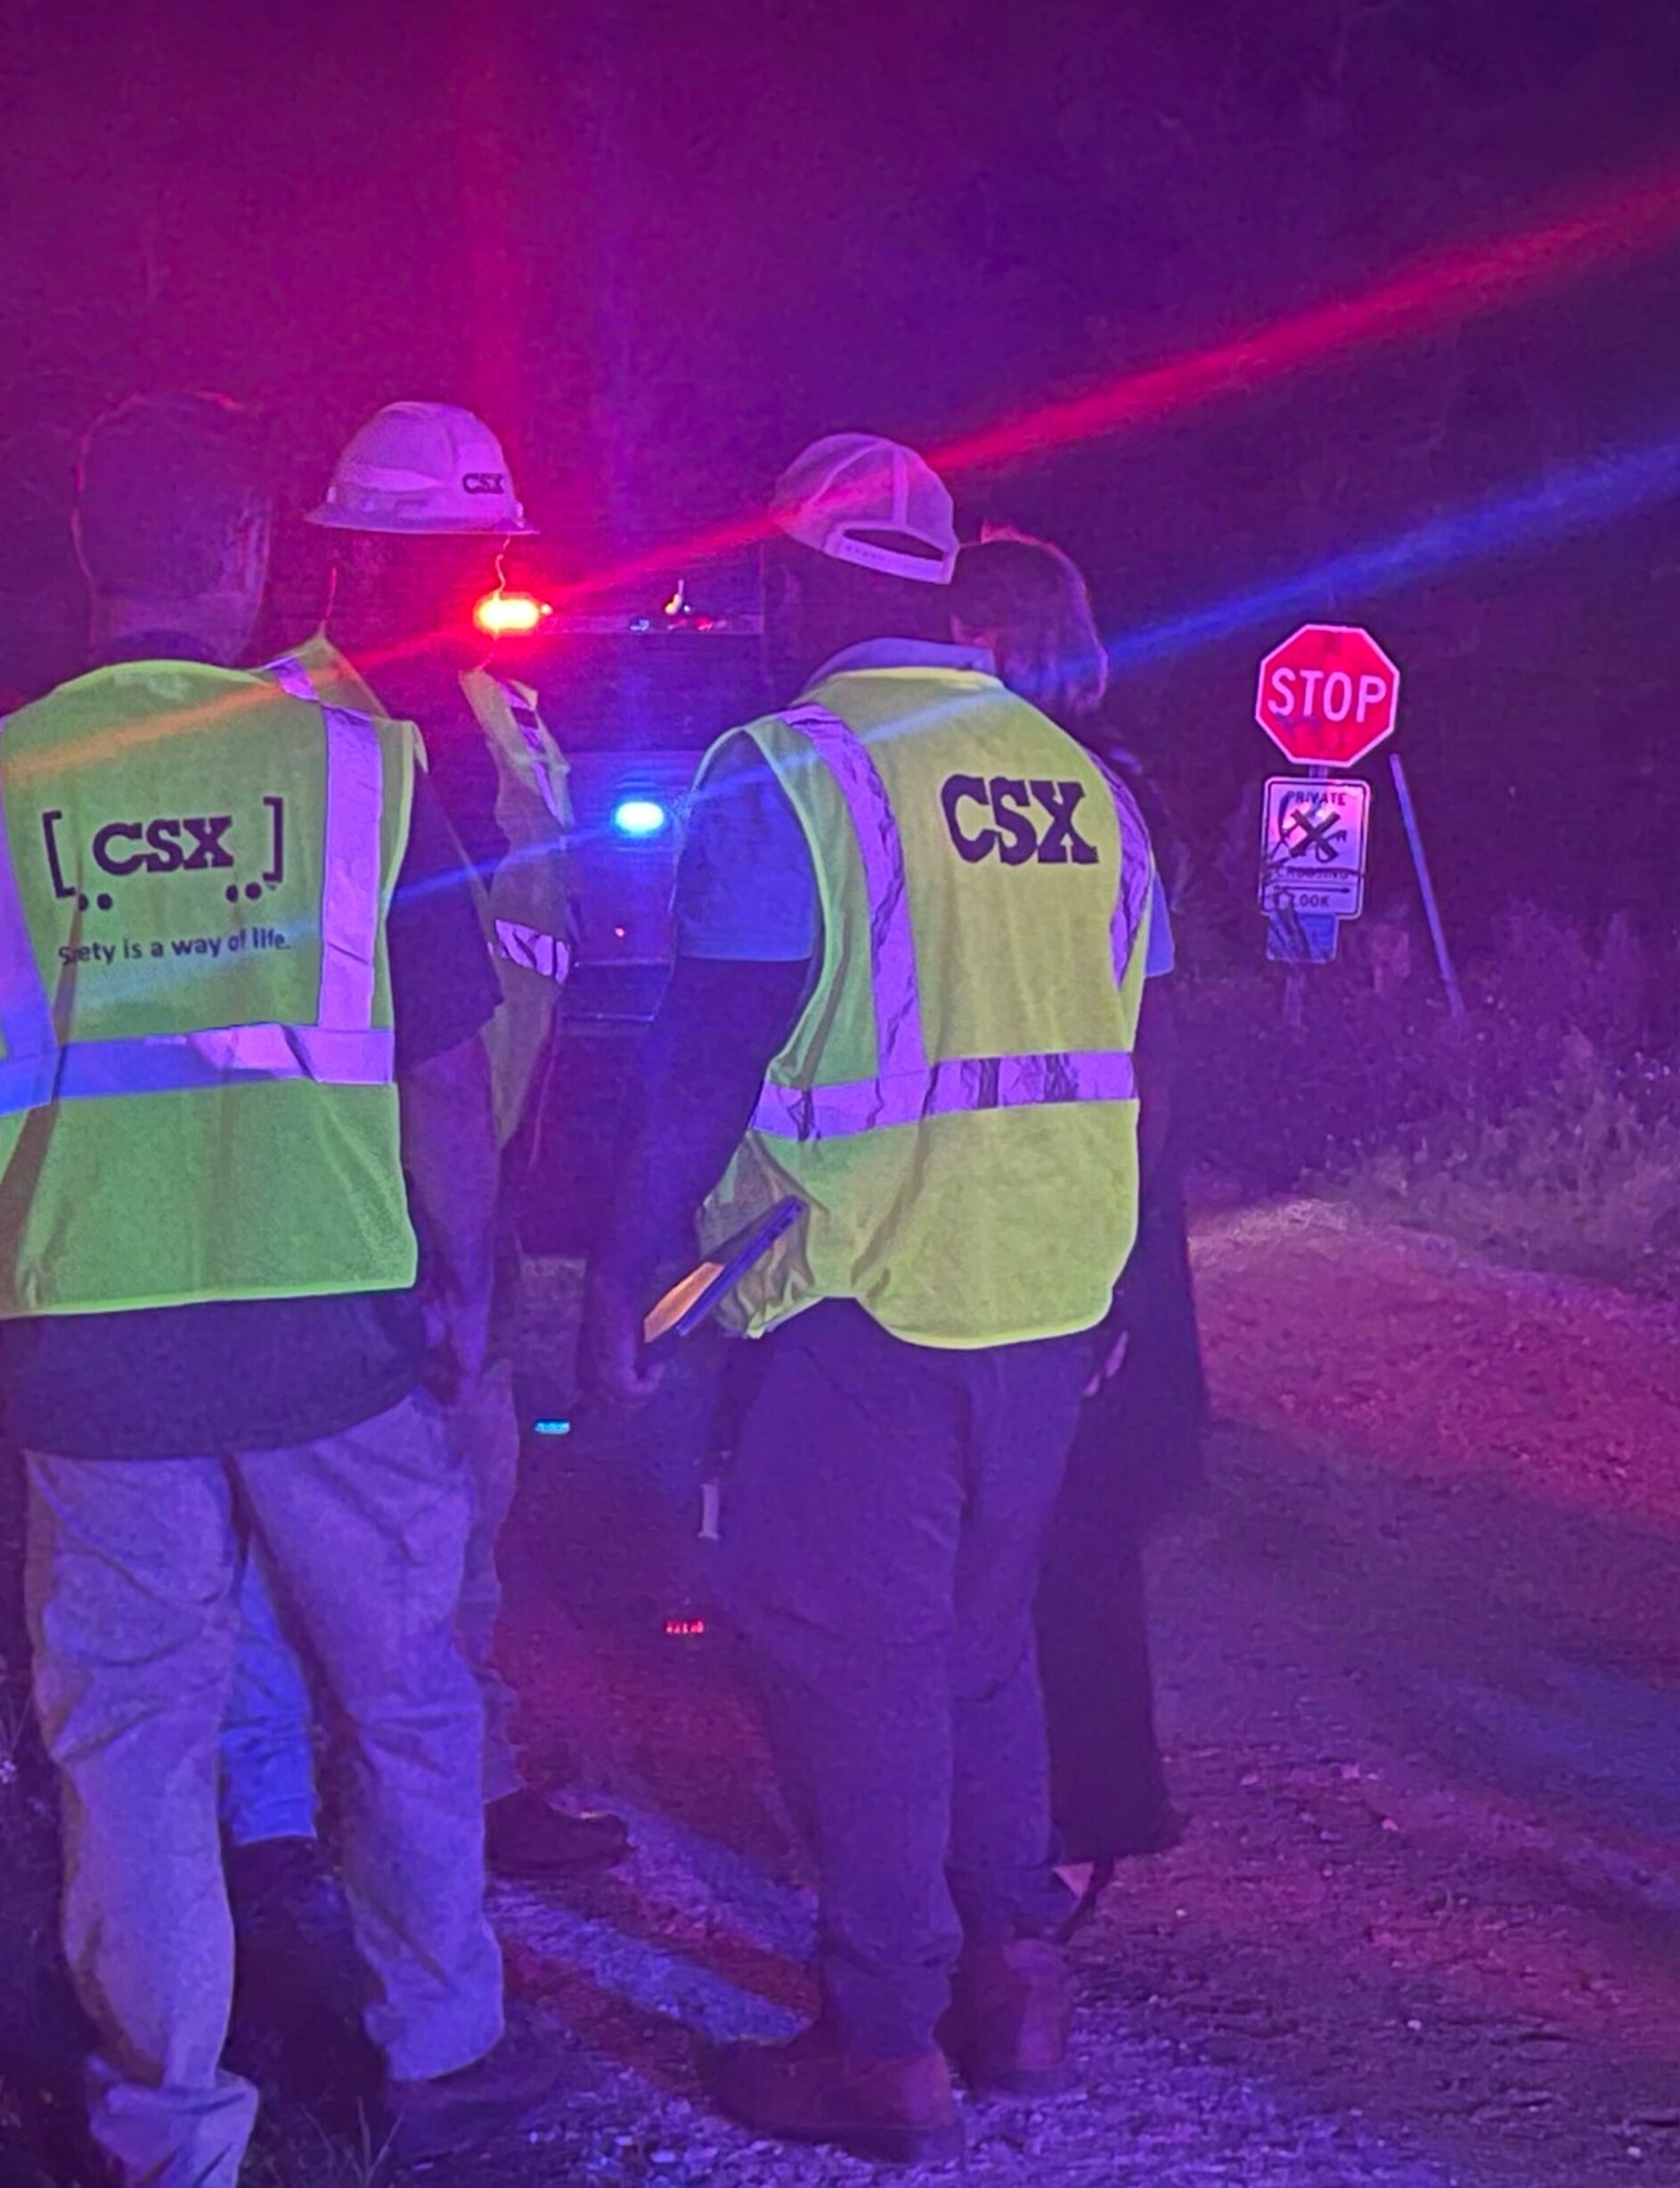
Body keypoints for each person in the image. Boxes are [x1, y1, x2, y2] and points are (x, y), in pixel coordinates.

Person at [0, 390, 550, 2183]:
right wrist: (469, 1286)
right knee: (401, 1697)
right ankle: (445, 2057)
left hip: (89, 1346)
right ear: (248, 554)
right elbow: (445, 1076)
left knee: (137, 1739)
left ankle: (173, 2118)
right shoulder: (355, 764)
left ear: (93, 560)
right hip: (333, 1327)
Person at [581, 436, 1161, 2163]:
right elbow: (1136, 1046)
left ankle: (884, 2045)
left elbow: (701, 1071)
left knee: (856, 1668)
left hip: (863, 1292)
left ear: (791, 583)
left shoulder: (790, 770)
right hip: (1049, 1286)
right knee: (980, 1648)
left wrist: (626, 1283)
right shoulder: (1078, 780)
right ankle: (1015, 1983)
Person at [227, 400, 625, 1887]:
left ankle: (462, 1785)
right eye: (444, 550)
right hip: (331, 1197)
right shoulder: (286, 726)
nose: (471, 574)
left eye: (480, 548)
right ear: (360, 558)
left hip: (471, 1180)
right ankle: (284, 1830)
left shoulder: (500, 712)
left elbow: (536, 954)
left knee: (469, 1507)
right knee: (295, 1546)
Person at [951, 530, 1203, 1912]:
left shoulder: (1069, 798)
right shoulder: (1124, 794)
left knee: (1040, 1532)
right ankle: (1085, 1798)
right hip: (1101, 1200)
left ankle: (1050, 1814)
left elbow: (1149, 1043)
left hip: (1061, 1205)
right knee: (1073, 1527)